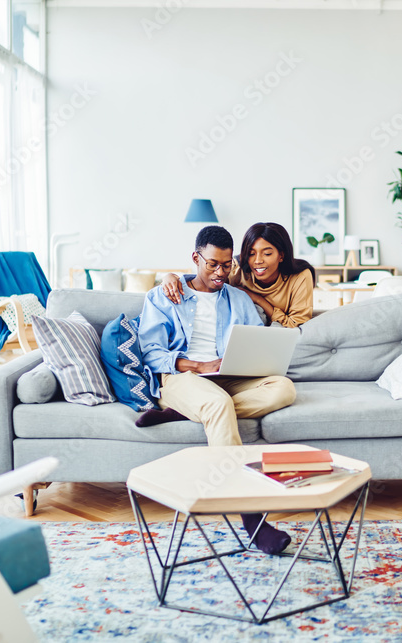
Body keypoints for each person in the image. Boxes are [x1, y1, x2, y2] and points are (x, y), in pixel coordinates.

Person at [138, 225, 297, 554]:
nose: (220, 273)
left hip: (228, 377)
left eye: (227, 265)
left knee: (283, 389)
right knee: (217, 404)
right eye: (212, 264)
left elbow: (258, 341)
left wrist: (242, 361)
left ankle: (184, 414)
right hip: (182, 377)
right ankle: (252, 518)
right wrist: (198, 365)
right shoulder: (164, 295)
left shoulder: (238, 299)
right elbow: (151, 353)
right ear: (196, 258)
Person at [161, 222, 315, 328]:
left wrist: (257, 298)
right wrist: (171, 277)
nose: (258, 261)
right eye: (251, 253)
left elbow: (297, 327)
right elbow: (206, 280)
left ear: (281, 255)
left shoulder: (300, 276)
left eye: (267, 253)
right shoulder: (236, 268)